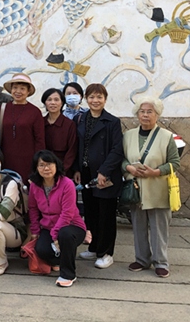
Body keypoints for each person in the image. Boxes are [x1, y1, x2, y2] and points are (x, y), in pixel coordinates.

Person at [122, 97, 181, 278]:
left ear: (157, 114)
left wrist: (156, 172)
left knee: (159, 227)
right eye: (142, 111)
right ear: (137, 114)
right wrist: (129, 168)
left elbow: (175, 163)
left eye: (150, 112)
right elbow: (121, 159)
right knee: (138, 225)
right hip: (136, 189)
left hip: (158, 189)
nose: (145, 115)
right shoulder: (128, 135)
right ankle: (141, 259)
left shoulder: (167, 136)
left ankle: (161, 262)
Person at [74, 83, 123, 269]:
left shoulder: (112, 122)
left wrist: (104, 171)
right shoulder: (80, 119)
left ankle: (106, 253)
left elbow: (117, 149)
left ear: (105, 99)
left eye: (99, 97)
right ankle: (94, 247)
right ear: (86, 99)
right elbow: (77, 146)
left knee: (106, 215)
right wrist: (77, 169)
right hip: (86, 172)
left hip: (105, 175)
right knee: (91, 212)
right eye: (91, 97)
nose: (95, 100)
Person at [28, 150, 87, 287]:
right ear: (36, 168)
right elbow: (33, 208)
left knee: (65, 235)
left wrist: (55, 236)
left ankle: (68, 275)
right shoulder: (35, 186)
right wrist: (35, 230)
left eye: (49, 164)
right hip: (48, 227)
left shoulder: (67, 184)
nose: (46, 168)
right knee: (41, 249)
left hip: (71, 225)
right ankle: (58, 260)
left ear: (56, 165)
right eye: (41, 165)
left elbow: (67, 213)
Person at [0, 73, 45, 178]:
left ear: (28, 91)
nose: (18, 91)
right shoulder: (3, 109)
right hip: (6, 158)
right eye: (15, 87)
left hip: (28, 161)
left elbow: (40, 139)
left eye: (22, 88)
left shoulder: (35, 111)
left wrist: (38, 161)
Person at [41, 88, 78, 174]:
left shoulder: (69, 124)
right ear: (45, 103)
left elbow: (72, 150)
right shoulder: (40, 123)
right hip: (43, 170)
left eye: (56, 100)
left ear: (62, 103)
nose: (53, 103)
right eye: (49, 100)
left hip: (64, 171)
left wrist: (61, 170)